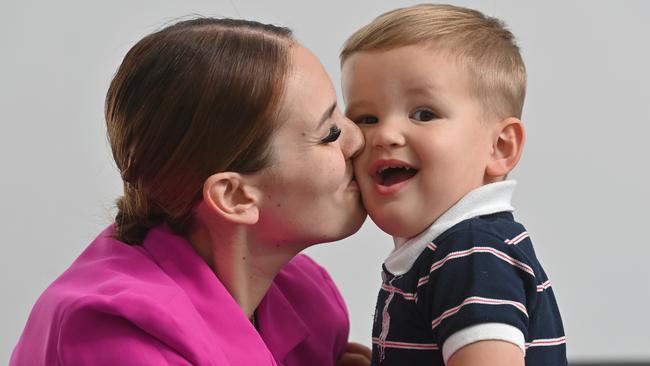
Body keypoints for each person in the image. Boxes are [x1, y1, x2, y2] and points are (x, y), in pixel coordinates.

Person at [11, 17, 371, 366]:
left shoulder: (302, 294)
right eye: (330, 134)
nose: (358, 139)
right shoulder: (113, 333)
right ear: (233, 196)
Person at [339, 4, 567, 366]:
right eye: (366, 118)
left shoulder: (471, 254)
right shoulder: (449, 252)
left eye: (424, 114)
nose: (384, 134)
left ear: (499, 147)